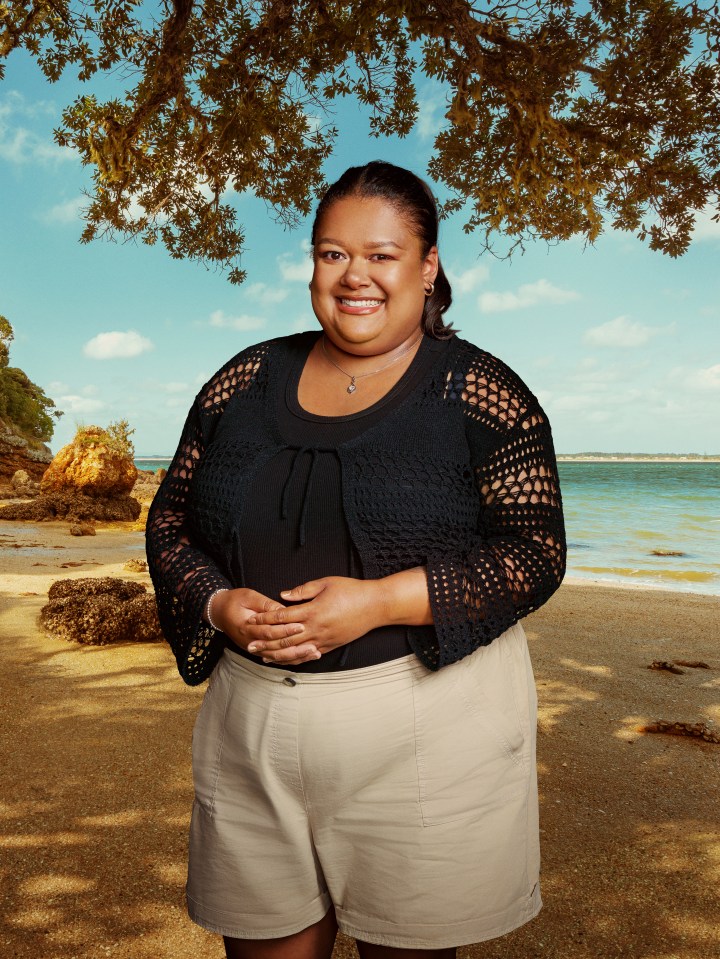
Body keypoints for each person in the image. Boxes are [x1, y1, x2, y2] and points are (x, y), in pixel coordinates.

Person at [146, 160, 566, 959]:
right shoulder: (244, 380)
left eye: (382, 254)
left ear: (428, 266)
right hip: (251, 727)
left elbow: (536, 552)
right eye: (333, 253)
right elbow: (170, 520)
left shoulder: (480, 391)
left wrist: (379, 602)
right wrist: (217, 603)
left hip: (424, 733)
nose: (354, 276)